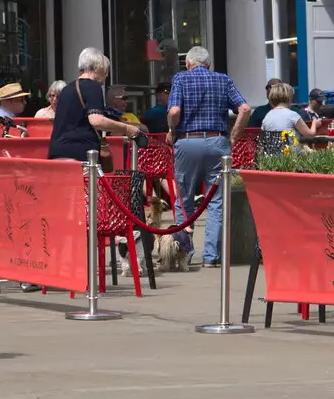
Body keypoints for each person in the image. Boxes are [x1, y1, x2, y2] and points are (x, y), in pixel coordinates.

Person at [166, 46, 251, 269]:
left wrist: (172, 131)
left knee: (183, 200)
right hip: (217, 142)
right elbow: (244, 108)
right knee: (216, 202)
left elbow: (174, 112)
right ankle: (210, 257)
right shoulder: (223, 80)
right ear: (209, 64)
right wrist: (232, 138)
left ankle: (184, 251)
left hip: (187, 141)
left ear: (188, 63)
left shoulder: (181, 79)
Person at [47, 47, 147, 163]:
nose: (106, 75)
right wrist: (128, 129)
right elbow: (96, 120)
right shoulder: (93, 87)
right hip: (81, 155)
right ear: (96, 68)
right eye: (105, 70)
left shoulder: (66, 89)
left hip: (57, 153)